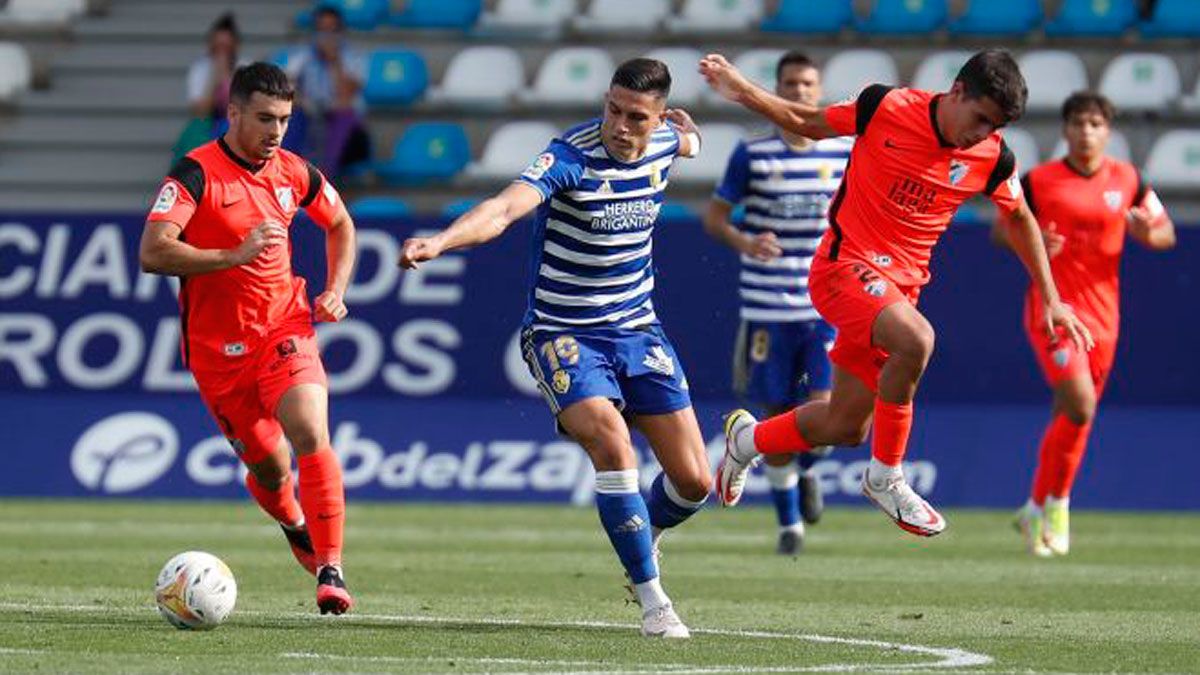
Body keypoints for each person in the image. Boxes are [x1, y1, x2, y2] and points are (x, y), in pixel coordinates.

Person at [700, 49, 1094, 537]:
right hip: (843, 268)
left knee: (845, 426)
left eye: (994, 127)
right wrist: (742, 89)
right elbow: (805, 118)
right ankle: (886, 476)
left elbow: (1017, 217)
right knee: (917, 341)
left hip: (897, 292)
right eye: (980, 119)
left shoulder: (992, 155)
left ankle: (747, 440)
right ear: (957, 91)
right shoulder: (885, 107)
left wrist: (1052, 297)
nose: (983, 134)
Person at [400, 58, 705, 638]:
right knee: (613, 442)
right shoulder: (569, 156)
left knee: (694, 482)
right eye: (612, 109)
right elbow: (504, 208)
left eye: (634, 116)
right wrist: (441, 241)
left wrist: (690, 135)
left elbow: (688, 141)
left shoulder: (667, 142)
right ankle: (653, 601)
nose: (618, 124)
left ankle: (645, 533)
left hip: (640, 331)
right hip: (563, 333)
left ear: (658, 117)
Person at [139, 62, 357, 615]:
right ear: (232, 112)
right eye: (264, 118)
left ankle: (331, 569)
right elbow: (153, 250)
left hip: (284, 325)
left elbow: (340, 223)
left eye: (284, 119)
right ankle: (292, 519)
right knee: (268, 465)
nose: (276, 130)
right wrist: (229, 257)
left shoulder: (293, 172)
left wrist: (335, 288)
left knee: (310, 429)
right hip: (217, 353)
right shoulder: (194, 174)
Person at [992, 91, 1175, 557]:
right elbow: (1001, 227)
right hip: (1053, 308)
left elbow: (1165, 232)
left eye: (1095, 124)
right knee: (1080, 403)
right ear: (1065, 129)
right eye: (1077, 123)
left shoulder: (1128, 180)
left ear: (1107, 131)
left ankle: (1035, 505)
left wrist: (1147, 233)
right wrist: (1033, 242)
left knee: (1071, 415)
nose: (1086, 131)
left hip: (1104, 317)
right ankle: (1059, 505)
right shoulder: (1039, 181)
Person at [703, 51, 851, 556]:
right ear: (779, 88)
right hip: (767, 307)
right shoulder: (753, 154)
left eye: (807, 83)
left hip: (826, 306)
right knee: (773, 414)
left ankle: (810, 468)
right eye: (790, 83)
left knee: (824, 416)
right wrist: (746, 242)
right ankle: (790, 526)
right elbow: (715, 217)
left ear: (819, 88)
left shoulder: (843, 154)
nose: (799, 92)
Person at [285, 5, 371, 180]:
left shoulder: (355, 58)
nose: (327, 36)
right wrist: (305, 102)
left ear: (341, 32)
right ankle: (289, 173)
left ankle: (322, 178)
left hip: (350, 138)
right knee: (292, 114)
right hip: (311, 122)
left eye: (333, 30)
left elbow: (346, 97)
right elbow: (286, 90)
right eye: (322, 30)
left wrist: (334, 62)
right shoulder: (301, 57)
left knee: (343, 114)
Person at [187, 13, 242, 136]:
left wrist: (227, 78)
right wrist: (214, 80)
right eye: (217, 48)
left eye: (226, 48)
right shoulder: (201, 68)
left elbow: (239, 109)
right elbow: (200, 112)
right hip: (206, 127)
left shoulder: (244, 66)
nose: (221, 54)